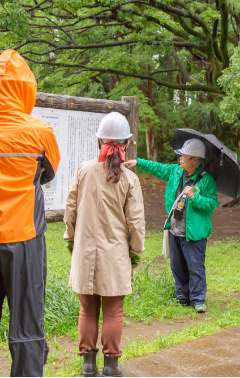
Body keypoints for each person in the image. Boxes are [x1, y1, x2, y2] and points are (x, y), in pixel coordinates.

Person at [63, 112, 145, 377]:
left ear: (100, 140)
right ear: (126, 143)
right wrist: (136, 251)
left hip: (84, 252)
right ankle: (111, 366)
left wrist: (71, 238)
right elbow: (136, 223)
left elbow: (70, 211)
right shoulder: (130, 180)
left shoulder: (83, 170)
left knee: (87, 310)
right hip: (116, 256)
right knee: (113, 313)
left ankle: (88, 364)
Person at [0, 50, 60, 376]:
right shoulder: (39, 132)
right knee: (27, 327)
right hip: (24, 239)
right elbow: (48, 174)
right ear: (25, 89)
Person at [124, 139, 218, 313]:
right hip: (175, 229)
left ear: (195, 160)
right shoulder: (175, 172)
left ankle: (198, 300)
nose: (180, 158)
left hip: (194, 233)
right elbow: (157, 167)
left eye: (184, 155)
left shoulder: (206, 181)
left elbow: (212, 203)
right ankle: (182, 297)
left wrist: (194, 197)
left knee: (195, 266)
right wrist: (138, 162)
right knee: (177, 265)